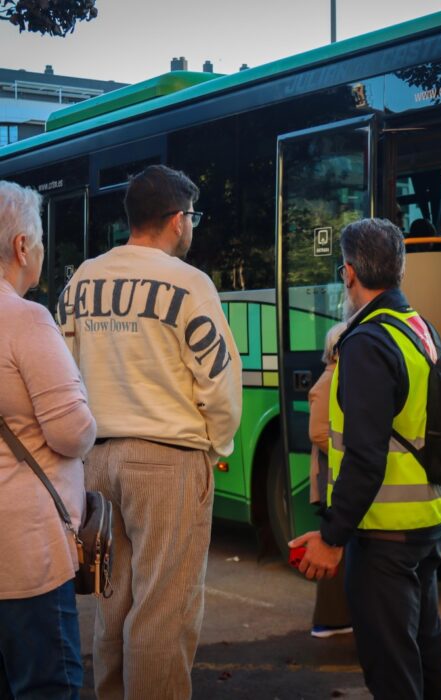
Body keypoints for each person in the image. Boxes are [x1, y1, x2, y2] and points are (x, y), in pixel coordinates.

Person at [56, 165, 243, 700]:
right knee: (164, 609)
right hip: (168, 459)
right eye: (194, 219)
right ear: (178, 221)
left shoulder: (82, 280)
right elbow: (220, 382)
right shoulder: (188, 284)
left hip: (97, 461)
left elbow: (63, 372)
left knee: (112, 607)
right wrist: (214, 443)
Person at [290, 218, 441, 699]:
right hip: (429, 522)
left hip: (384, 536)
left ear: (348, 274)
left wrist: (333, 537)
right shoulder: (421, 329)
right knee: (426, 662)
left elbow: (364, 456)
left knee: (393, 674)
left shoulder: (364, 343)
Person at [0, 181, 96, 698]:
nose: (40, 252)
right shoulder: (27, 320)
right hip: (23, 554)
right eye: (38, 242)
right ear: (20, 248)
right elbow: (72, 432)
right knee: (46, 685)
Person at [307, 321, 352, 639]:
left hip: (339, 475)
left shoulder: (342, 377)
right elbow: (319, 432)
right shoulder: (329, 381)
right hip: (333, 478)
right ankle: (330, 620)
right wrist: (354, 455)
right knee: (335, 545)